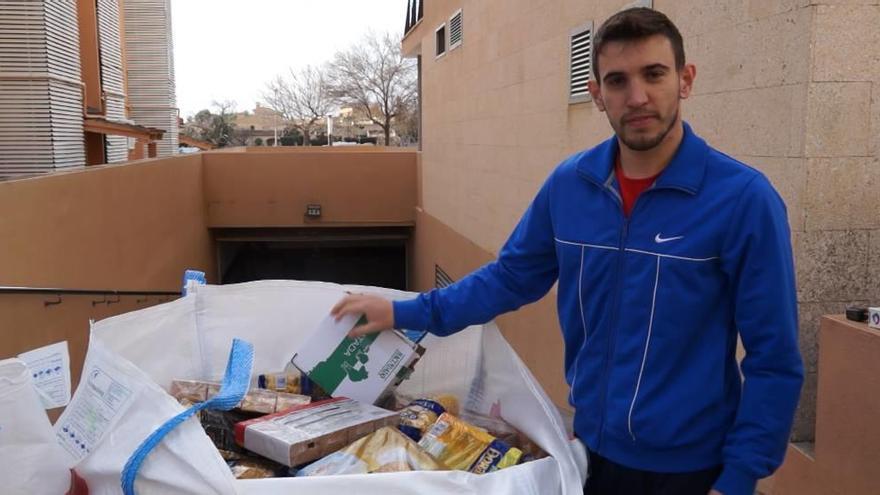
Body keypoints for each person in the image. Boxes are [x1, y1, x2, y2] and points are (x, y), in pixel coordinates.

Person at [331, 7, 803, 495]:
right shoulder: (570, 186)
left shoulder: (743, 199)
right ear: (597, 94)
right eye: (617, 81)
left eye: (654, 74)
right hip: (587, 455)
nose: (637, 97)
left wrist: (740, 477)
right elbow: (508, 279)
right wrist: (403, 310)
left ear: (685, 80)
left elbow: (774, 357)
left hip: (695, 470)